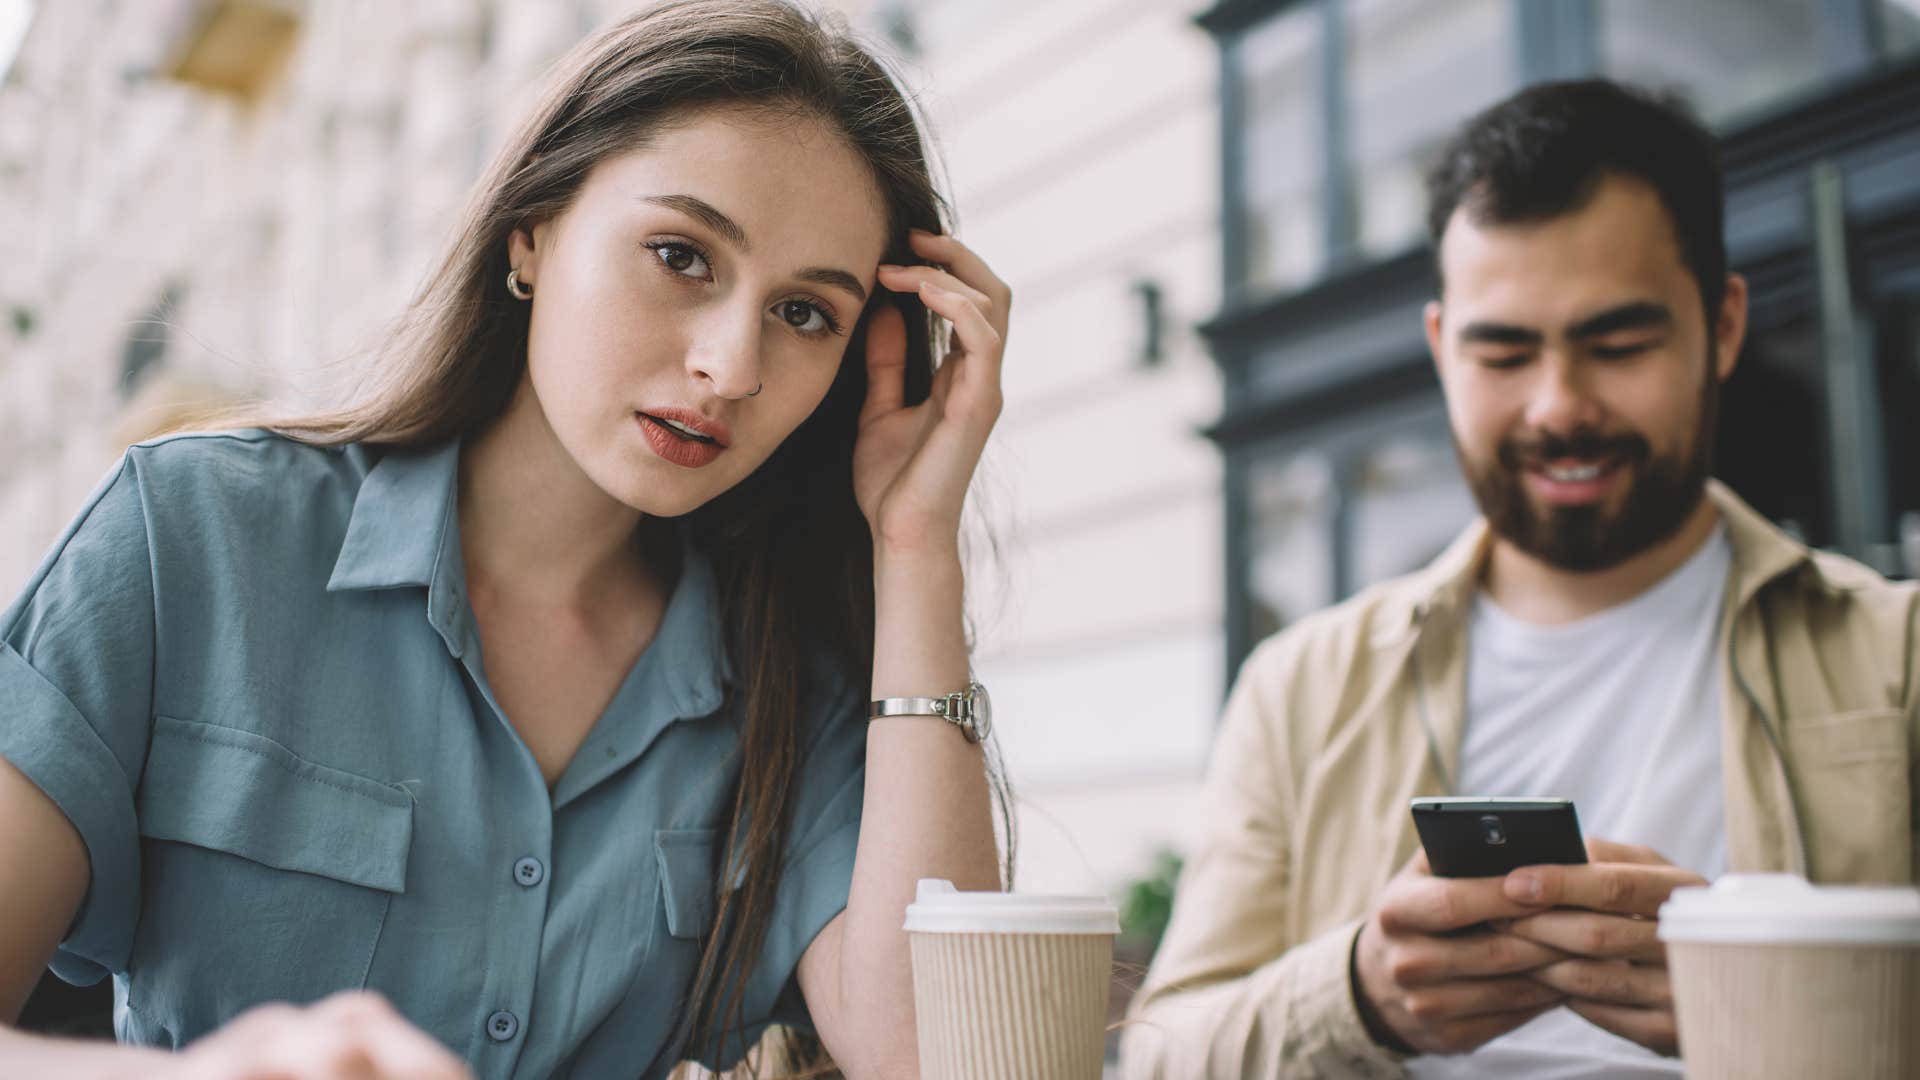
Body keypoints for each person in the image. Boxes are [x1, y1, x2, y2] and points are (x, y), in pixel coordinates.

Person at [0, 2, 1014, 1076]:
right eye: (681, 255)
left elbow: (942, 1059)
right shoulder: (190, 538)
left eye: (806, 314)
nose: (732, 366)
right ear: (531, 230)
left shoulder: (788, 681)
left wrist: (915, 548)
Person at [1121, 78, 1918, 1079]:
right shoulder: (1302, 688)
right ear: (1440, 349)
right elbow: (1162, 1060)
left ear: (1721, 326)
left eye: (1617, 344)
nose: (1558, 406)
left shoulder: (1899, 659)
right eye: (1503, 352)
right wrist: (1360, 995)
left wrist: (1772, 1005)